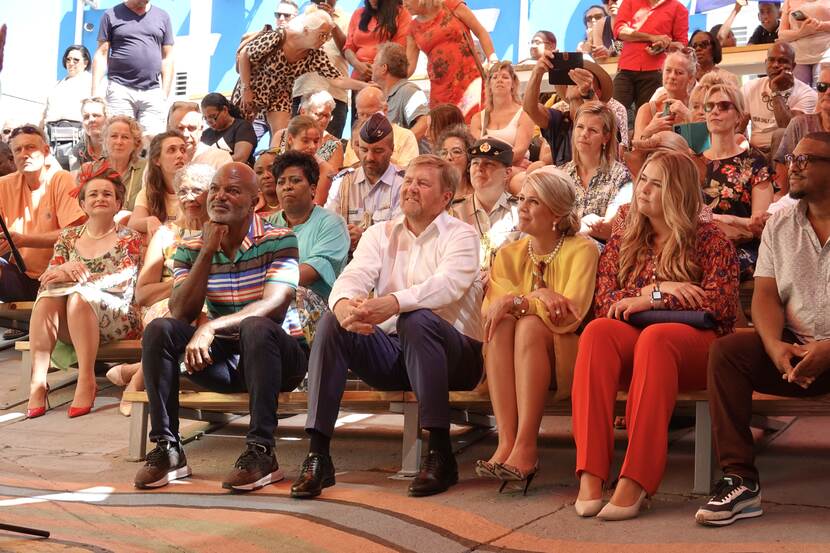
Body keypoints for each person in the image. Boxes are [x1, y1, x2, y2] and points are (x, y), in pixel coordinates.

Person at [290, 154, 484, 499]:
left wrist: (393, 303)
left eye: (422, 183)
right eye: (408, 180)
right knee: (335, 324)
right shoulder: (380, 234)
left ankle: (440, 454)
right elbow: (353, 276)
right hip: (397, 354)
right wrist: (347, 305)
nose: (410, 188)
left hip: (457, 357)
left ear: (445, 197)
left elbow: (448, 285)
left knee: (418, 317)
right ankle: (318, 455)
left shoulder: (462, 235)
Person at [572, 151, 739, 521]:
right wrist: (660, 293)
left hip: (694, 353)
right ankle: (591, 473)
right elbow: (605, 302)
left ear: (677, 191)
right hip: (639, 350)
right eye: (642, 178)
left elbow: (720, 305)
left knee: (657, 338)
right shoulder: (625, 238)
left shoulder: (709, 239)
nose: (643, 188)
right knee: (598, 332)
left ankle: (637, 479)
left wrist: (651, 296)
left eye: (655, 183)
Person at [134, 162, 308, 492]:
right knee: (160, 330)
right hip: (230, 360)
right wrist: (208, 250)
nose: (219, 196)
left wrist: (210, 328)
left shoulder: (280, 239)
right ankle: (168, 449)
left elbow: (274, 305)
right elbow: (180, 311)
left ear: (255, 200)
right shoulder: (191, 246)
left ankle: (261, 452)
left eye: (232, 190)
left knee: (256, 327)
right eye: (215, 189)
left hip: (280, 358)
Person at [695, 132, 830, 527]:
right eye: (792, 158)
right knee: (728, 352)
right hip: (796, 353)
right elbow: (766, 296)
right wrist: (774, 346)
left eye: (805, 160)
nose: (792, 167)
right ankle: (740, 481)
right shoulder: (781, 224)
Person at [477, 168, 599, 490]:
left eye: (534, 202)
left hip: (566, 357)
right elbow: (491, 309)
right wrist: (536, 296)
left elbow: (570, 314)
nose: (523, 207)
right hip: (511, 352)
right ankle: (506, 442)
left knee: (529, 325)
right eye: (521, 200)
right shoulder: (507, 253)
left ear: (556, 213)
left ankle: (527, 446)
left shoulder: (583, 250)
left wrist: (521, 303)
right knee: (501, 325)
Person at [25, 170, 142, 419]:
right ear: (82, 203)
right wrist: (65, 267)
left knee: (78, 295)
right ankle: (38, 381)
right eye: (93, 194)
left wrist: (80, 279)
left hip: (117, 315)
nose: (100, 198)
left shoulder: (128, 238)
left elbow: (123, 281)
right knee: (47, 297)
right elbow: (48, 276)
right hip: (72, 317)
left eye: (107, 194)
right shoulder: (68, 237)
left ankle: (86, 379)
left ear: (118, 203)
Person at [108, 164, 215, 417]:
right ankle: (137, 383)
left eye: (197, 190)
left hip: (211, 304)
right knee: (178, 312)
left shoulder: (220, 231)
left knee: (205, 314)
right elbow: (143, 294)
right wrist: (185, 284)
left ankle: (136, 372)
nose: (189, 197)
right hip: (166, 304)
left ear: (211, 194)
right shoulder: (166, 235)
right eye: (183, 191)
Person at [234, 10, 370, 147]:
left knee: (282, 137)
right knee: (239, 131)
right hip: (253, 87)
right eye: (321, 35)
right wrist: (246, 88)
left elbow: (337, 79)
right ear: (306, 30)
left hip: (280, 94)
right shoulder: (279, 36)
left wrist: (366, 86)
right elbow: (245, 55)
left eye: (327, 37)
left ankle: (276, 165)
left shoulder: (316, 54)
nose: (324, 40)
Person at [0, 125, 85, 302]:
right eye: (18, 149)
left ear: (46, 151)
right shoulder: (4, 185)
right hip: (21, 275)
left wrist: (24, 240)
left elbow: (74, 233)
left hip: (60, 276)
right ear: (12, 156)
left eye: (30, 147)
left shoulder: (60, 178)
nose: (24, 154)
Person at [703, 84, 774, 280]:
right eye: (710, 106)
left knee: (719, 265)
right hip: (697, 245)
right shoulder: (692, 162)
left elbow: (761, 225)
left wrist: (725, 220)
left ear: (739, 116)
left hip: (741, 248)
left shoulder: (754, 162)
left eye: (724, 106)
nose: (715, 111)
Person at [267, 151, 350, 317]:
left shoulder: (332, 223)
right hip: (269, 297)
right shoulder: (267, 224)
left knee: (290, 294)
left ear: (313, 189)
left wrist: (262, 281)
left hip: (320, 308)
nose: (287, 186)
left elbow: (312, 271)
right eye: (281, 182)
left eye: (295, 180)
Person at [91, 0, 174, 136]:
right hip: (120, 89)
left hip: (152, 91)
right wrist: (95, 93)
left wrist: (164, 94)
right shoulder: (111, 15)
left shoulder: (162, 16)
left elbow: (168, 57)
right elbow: (102, 53)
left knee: (152, 143)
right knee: (120, 138)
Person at [405, 0, 497, 120]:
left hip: (469, 84)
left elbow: (481, 32)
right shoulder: (412, 28)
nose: (403, 4)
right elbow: (409, 67)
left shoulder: (451, 5)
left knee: (475, 127)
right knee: (445, 133)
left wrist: (493, 60)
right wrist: (385, 78)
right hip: (440, 92)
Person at [524, 57, 625, 167]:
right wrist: (537, 72)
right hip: (565, 182)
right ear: (566, 91)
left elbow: (600, 120)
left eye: (585, 78)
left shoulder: (608, 118)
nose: (576, 82)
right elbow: (530, 108)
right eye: (571, 79)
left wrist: (589, 95)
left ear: (598, 92)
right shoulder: (560, 121)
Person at [326, 113, 404, 251]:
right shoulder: (342, 183)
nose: (369, 157)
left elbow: (403, 235)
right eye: (364, 150)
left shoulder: (404, 185)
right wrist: (342, 234)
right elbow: (327, 227)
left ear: (392, 149)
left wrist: (365, 236)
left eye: (378, 151)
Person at [561, 101, 632, 238]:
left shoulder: (621, 176)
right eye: (580, 127)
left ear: (606, 137)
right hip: (564, 249)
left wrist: (580, 227)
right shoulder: (561, 174)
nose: (584, 134)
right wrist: (584, 224)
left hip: (600, 253)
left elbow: (613, 228)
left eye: (592, 130)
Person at [452, 137, 521, 270]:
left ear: (507, 173)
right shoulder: (454, 211)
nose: (480, 168)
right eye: (475, 163)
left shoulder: (520, 211)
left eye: (489, 164)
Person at [612, 0, 689, 112]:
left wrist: (664, 45)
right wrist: (652, 38)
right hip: (626, 68)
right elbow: (619, 31)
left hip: (655, 71)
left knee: (648, 118)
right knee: (613, 114)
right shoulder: (629, 2)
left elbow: (682, 45)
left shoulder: (678, 8)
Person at [290, 0, 350, 140]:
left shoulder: (348, 19)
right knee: (295, 145)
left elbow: (348, 52)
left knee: (329, 145)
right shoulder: (297, 21)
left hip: (335, 97)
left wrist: (331, 23)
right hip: (301, 94)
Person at [743, 41, 817, 153]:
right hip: (755, 152)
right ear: (766, 62)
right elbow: (738, 124)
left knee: (780, 134)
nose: (775, 65)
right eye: (771, 60)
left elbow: (789, 129)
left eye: (782, 61)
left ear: (793, 66)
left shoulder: (807, 94)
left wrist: (775, 91)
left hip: (786, 153)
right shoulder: (750, 87)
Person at [77, 115, 147, 213]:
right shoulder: (89, 170)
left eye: (125, 137)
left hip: (135, 227)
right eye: (114, 136)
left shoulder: (147, 168)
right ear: (105, 140)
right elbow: (79, 210)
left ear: (136, 143)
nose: (119, 142)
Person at [471, 62, 535, 166]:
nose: (500, 80)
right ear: (489, 85)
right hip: (485, 168)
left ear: (513, 84)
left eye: (505, 77)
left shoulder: (524, 115)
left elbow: (520, 151)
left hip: (514, 168)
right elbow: (477, 150)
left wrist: (497, 164)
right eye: (495, 77)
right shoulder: (477, 119)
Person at [341, 86, 420, 168]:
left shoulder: (405, 136)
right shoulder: (356, 137)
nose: (365, 120)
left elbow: (408, 172)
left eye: (369, 115)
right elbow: (347, 170)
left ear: (385, 110)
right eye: (361, 114)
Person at [127, 131, 186, 236]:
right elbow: (133, 223)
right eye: (172, 150)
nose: (180, 155)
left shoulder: (197, 189)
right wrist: (150, 220)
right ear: (156, 160)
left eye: (183, 150)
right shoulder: (149, 191)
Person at [42, 44, 92, 166]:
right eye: (68, 59)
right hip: (51, 138)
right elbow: (44, 113)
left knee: (74, 178)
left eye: (76, 60)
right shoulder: (56, 85)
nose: (71, 63)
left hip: (77, 138)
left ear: (85, 62)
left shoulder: (90, 82)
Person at [372, 42, 431, 144]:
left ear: (384, 68)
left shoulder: (409, 90)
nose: (371, 66)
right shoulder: (383, 97)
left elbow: (425, 122)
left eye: (375, 62)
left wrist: (398, 146)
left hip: (412, 159)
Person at [634, 49, 696, 141]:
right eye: (668, 70)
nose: (672, 76)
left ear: (690, 78)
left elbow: (707, 145)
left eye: (679, 73)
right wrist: (649, 131)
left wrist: (688, 115)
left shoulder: (698, 107)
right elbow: (635, 150)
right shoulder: (647, 110)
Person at [344, 0, 411, 85]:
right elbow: (348, 48)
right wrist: (357, 64)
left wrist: (375, 69)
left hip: (385, 81)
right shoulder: (358, 13)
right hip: (358, 82)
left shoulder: (402, 13)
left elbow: (398, 50)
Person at [272, 91, 345, 169]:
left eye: (327, 116)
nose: (324, 120)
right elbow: (271, 165)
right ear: (303, 111)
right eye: (319, 114)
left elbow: (332, 178)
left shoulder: (334, 145)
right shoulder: (281, 135)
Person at [280, 115, 338, 204]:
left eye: (316, 141)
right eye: (305, 141)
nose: (312, 146)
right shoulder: (278, 164)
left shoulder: (324, 170)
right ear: (290, 139)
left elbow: (317, 205)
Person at [167, 102, 233, 170]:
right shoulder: (160, 160)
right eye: (180, 128)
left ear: (201, 129)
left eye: (191, 128)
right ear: (169, 130)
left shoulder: (219, 159)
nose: (185, 134)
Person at [778, 0, 830, 85]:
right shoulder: (789, 1)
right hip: (798, 59)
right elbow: (782, 35)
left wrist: (820, 25)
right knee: (799, 93)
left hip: (825, 55)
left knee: (822, 92)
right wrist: (801, 32)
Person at [200, 93, 257, 166]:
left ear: (225, 110)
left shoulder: (242, 127)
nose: (209, 122)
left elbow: (240, 158)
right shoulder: (205, 134)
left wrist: (210, 163)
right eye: (205, 118)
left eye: (212, 116)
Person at [437, 124, 475, 202]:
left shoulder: (480, 193)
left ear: (469, 158)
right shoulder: (435, 194)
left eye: (456, 152)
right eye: (444, 153)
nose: (449, 157)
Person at [68, 98, 107, 171]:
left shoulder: (116, 147)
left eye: (96, 115)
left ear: (106, 118)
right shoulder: (76, 152)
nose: (91, 120)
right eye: (86, 117)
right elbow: (76, 181)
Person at [254, 150, 280, 217]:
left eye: (271, 170)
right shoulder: (249, 208)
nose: (265, 176)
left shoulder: (297, 204)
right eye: (259, 172)